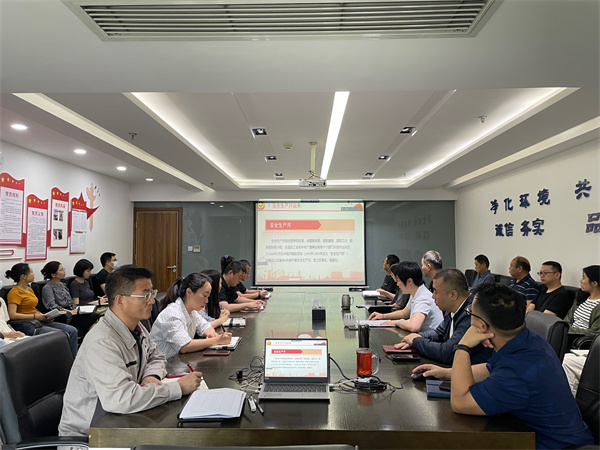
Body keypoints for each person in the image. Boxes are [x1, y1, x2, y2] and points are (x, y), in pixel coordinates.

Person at [414, 283, 594, 449]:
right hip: (540, 435)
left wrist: (463, 347)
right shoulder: (528, 338)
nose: (469, 316)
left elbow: (460, 403)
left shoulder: (518, 371)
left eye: (470, 312)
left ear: (482, 325)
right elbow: (490, 368)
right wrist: (447, 373)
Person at [58, 265, 203, 437]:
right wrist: (177, 388)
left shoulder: (136, 326)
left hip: (122, 421)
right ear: (120, 300)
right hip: (90, 436)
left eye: (152, 293)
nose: (152, 301)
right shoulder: (102, 342)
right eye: (145, 295)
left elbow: (156, 355)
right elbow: (120, 399)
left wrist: (151, 375)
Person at [395, 269, 492, 364]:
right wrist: (418, 336)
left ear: (453, 295)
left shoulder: (472, 314)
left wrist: (416, 341)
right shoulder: (451, 309)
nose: (433, 296)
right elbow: (439, 332)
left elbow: (447, 353)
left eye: (436, 292)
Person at [150, 273, 232, 360]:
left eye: (208, 297)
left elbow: (205, 326)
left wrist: (211, 334)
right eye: (204, 296)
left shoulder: (192, 311)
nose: (206, 301)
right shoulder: (172, 313)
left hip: (179, 361)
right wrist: (216, 340)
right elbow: (185, 346)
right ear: (189, 292)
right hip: (164, 364)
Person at [5, 263, 79, 357]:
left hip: (38, 320)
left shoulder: (29, 289)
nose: (33, 274)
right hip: (27, 324)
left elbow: (32, 308)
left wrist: (44, 316)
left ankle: (74, 359)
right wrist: (36, 317)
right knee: (61, 335)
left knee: (72, 331)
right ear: (23, 276)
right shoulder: (14, 292)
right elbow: (12, 315)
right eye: (31, 272)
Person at [368, 261, 443, 333]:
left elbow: (414, 326)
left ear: (409, 281)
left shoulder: (423, 297)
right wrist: (382, 316)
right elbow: (404, 313)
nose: (397, 284)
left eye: (398, 280)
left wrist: (396, 322)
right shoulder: (416, 292)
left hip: (430, 339)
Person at [41, 261, 99, 334]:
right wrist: (69, 311)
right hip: (63, 315)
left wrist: (76, 309)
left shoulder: (62, 285)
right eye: (61, 270)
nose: (64, 271)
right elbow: (53, 306)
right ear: (53, 274)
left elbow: (70, 301)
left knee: (95, 317)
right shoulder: (47, 288)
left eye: (63, 269)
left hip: (72, 311)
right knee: (93, 318)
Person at [565, 265, 600, 336]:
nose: (580, 281)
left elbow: (594, 332)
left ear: (594, 283)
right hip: (567, 335)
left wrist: (568, 330)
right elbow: (567, 320)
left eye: (583, 278)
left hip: (583, 339)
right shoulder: (581, 298)